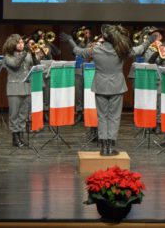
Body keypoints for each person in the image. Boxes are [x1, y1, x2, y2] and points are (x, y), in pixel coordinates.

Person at [61, 24, 150, 156]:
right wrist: (149, 40)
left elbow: (78, 51)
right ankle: (110, 145)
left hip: (100, 86)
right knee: (114, 117)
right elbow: (139, 49)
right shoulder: (122, 50)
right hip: (117, 87)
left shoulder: (95, 49)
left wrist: (69, 40)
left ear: (105, 38)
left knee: (102, 116)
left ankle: (103, 147)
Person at [2, 34, 38, 148]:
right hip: (14, 89)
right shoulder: (7, 56)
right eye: (19, 43)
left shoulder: (27, 55)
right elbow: (15, 64)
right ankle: (15, 137)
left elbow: (37, 66)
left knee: (23, 115)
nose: (22, 44)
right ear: (13, 44)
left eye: (22, 42)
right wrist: (24, 53)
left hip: (26, 88)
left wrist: (33, 54)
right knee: (14, 115)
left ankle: (21, 136)